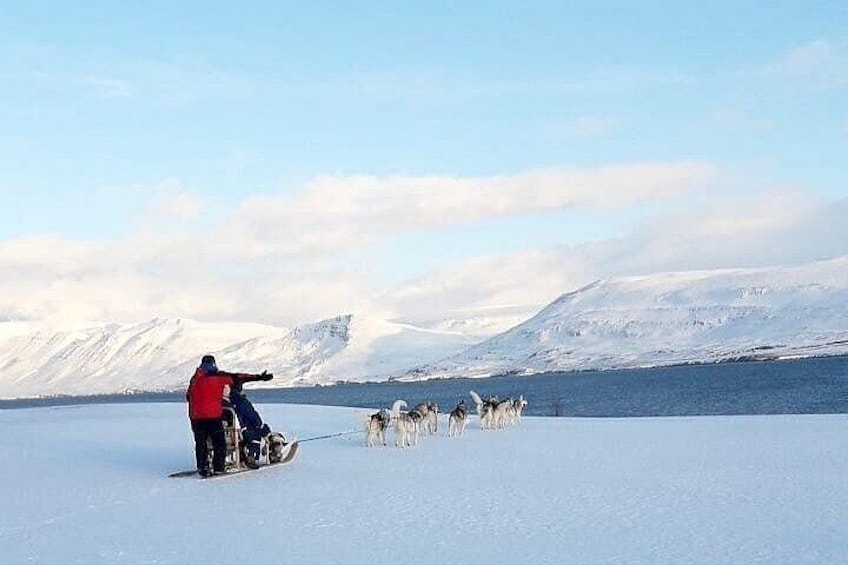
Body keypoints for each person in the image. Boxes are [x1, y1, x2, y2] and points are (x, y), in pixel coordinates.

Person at [186, 354, 272, 477]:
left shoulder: (194, 379)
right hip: (213, 416)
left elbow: (188, 396)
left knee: (201, 442)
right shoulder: (219, 377)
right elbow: (239, 377)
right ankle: (219, 468)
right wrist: (259, 377)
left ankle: (202, 467)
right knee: (219, 443)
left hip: (196, 417)